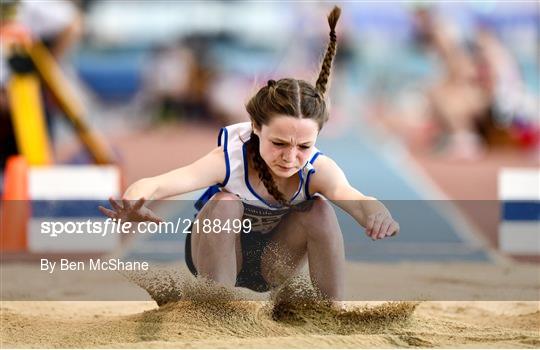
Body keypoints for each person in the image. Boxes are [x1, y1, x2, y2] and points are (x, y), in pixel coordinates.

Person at [99, 7, 399, 303]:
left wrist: (376, 214)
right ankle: (217, 305)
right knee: (225, 203)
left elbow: (352, 197)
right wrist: (133, 201)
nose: (290, 157)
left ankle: (331, 310)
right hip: (216, 256)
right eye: (279, 143)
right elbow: (159, 183)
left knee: (320, 210)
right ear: (256, 127)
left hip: (273, 263)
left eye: (303, 146)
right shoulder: (231, 159)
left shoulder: (318, 170)